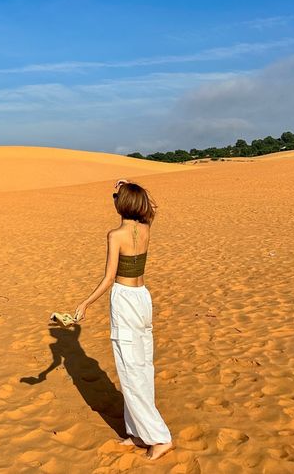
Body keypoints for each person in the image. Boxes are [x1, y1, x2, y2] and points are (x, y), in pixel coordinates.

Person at [73, 178, 174, 462]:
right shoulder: (146, 227)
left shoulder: (115, 234)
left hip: (125, 300)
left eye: (116, 197)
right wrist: (129, 186)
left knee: (130, 370)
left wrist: (85, 303)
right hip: (142, 298)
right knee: (141, 365)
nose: (114, 199)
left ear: (122, 204)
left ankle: (159, 437)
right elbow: (152, 206)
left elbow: (108, 278)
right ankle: (137, 432)